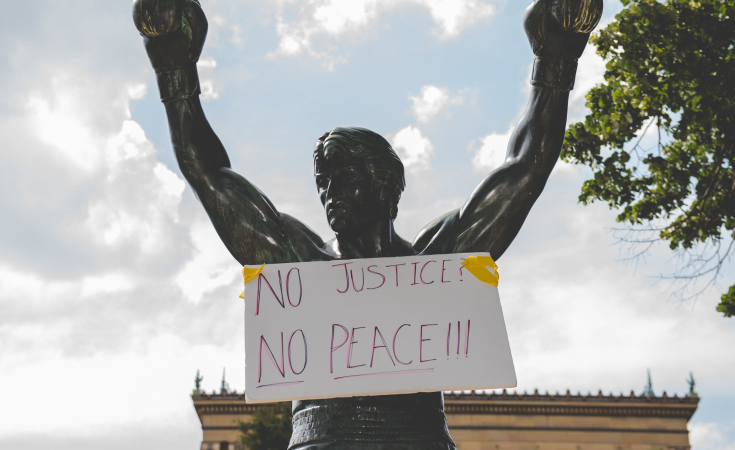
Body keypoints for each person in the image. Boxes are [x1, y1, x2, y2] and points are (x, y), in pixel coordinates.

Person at [132, 0, 603, 448]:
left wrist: (555, 57)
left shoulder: (436, 261)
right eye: (323, 181)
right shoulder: (299, 262)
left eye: (345, 177)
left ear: (383, 185)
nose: (329, 192)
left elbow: (524, 171)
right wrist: (174, 67)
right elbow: (209, 176)